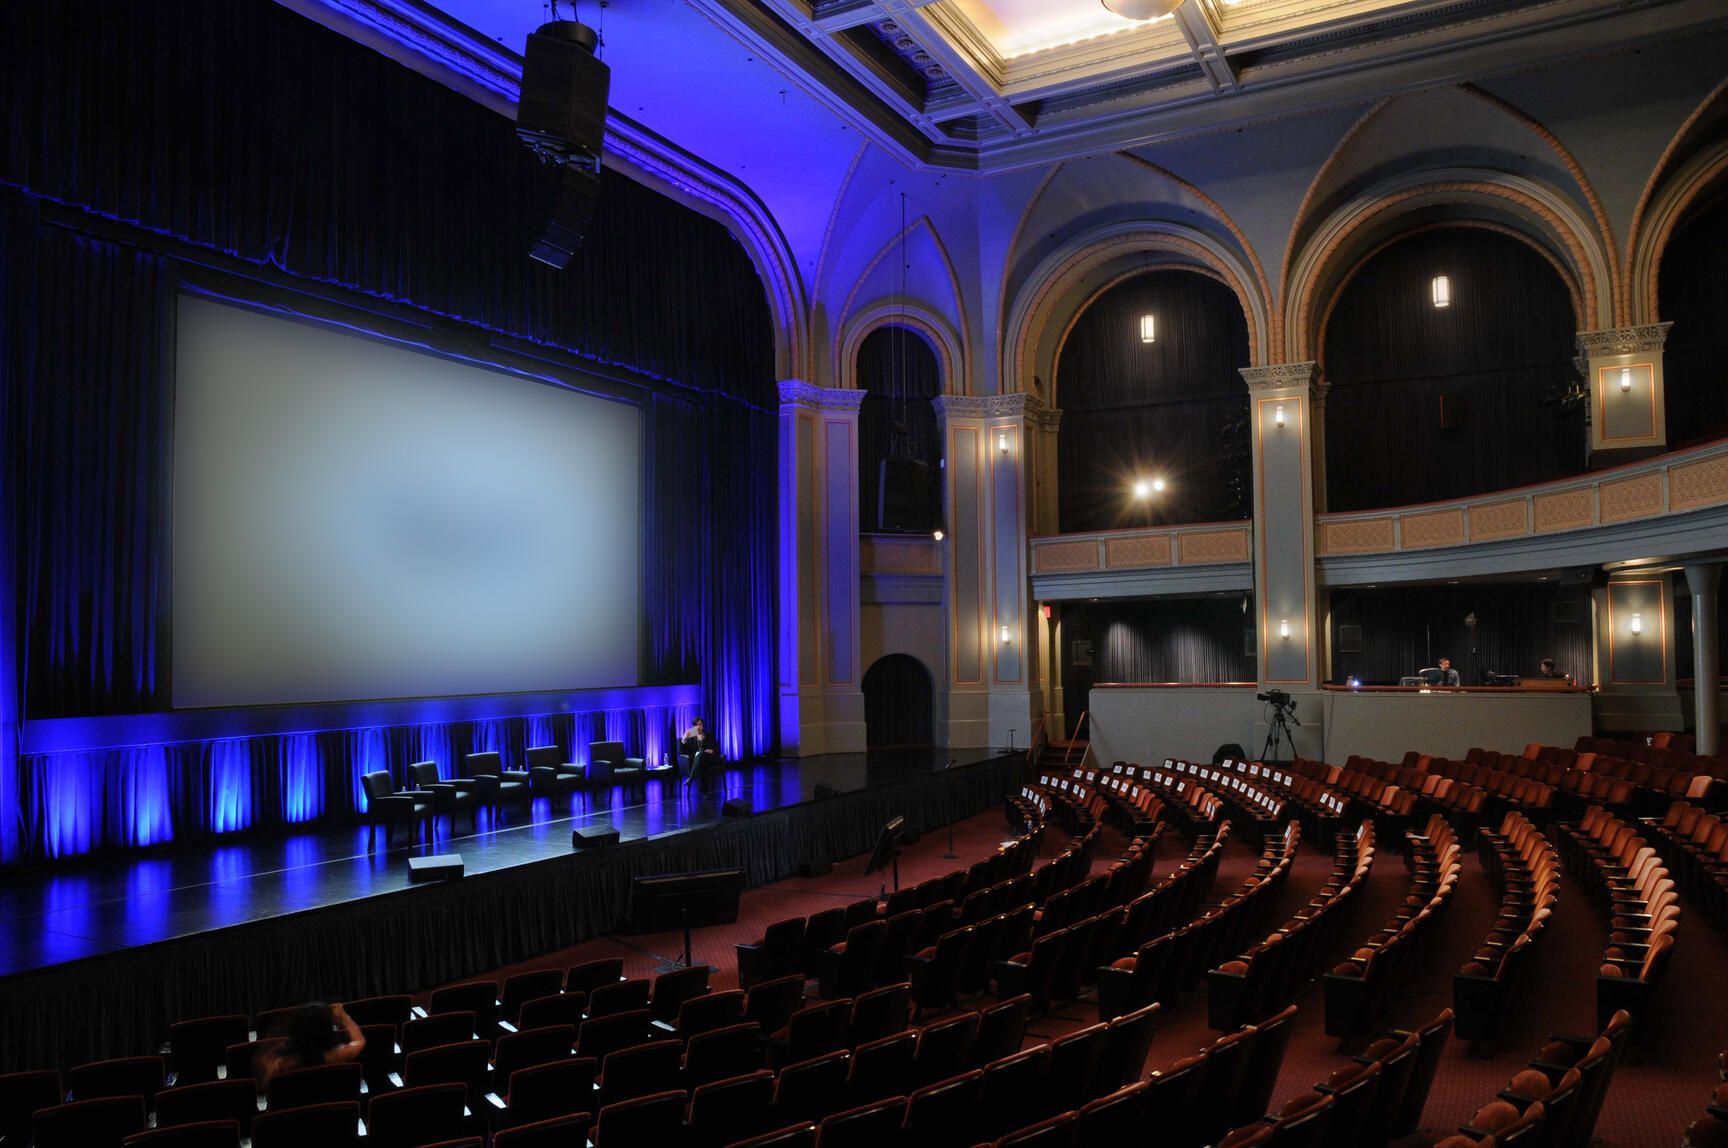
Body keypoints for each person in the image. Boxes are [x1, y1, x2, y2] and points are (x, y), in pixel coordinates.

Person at [256, 1001, 365, 1085]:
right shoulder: (336, 1056)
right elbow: (359, 1041)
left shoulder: (280, 1065)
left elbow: (263, 1081)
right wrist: (344, 1017)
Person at [681, 717, 723, 792]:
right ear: (693, 727)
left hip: (710, 757)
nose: (698, 727)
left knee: (702, 756)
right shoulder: (692, 738)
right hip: (699, 760)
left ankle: (691, 778)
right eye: (696, 725)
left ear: (703, 726)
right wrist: (684, 738)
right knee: (701, 757)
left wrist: (711, 750)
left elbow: (717, 748)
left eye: (700, 724)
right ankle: (704, 791)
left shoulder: (709, 735)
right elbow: (683, 751)